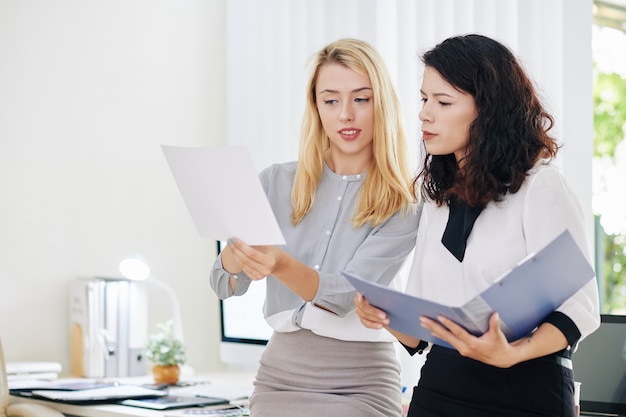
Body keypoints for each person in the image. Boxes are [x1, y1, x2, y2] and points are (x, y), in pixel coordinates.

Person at [354, 34, 601, 417]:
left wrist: (511, 353)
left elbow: (581, 306)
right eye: (424, 99)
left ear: (486, 109)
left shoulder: (540, 186)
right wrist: (382, 316)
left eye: (443, 102)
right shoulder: (437, 201)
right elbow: (424, 330)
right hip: (442, 387)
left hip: (524, 390)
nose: (424, 113)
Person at [209, 38, 419, 417]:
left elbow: (342, 295)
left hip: (360, 384)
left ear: (381, 104)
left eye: (361, 99)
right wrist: (236, 257)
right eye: (331, 100)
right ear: (316, 107)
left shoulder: (403, 203)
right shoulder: (275, 181)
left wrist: (277, 264)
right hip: (279, 377)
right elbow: (223, 284)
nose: (346, 115)